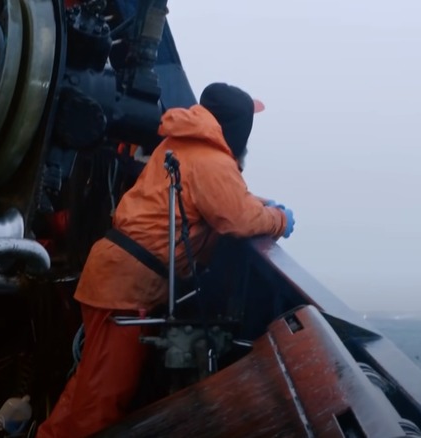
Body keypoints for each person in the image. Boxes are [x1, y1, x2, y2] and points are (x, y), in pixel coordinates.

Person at [36, 83, 295, 438]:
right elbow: (238, 217)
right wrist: (279, 219)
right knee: (100, 403)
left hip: (114, 280)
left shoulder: (182, 145)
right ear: (238, 128)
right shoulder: (212, 161)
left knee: (86, 387)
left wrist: (263, 203)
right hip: (126, 293)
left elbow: (231, 196)